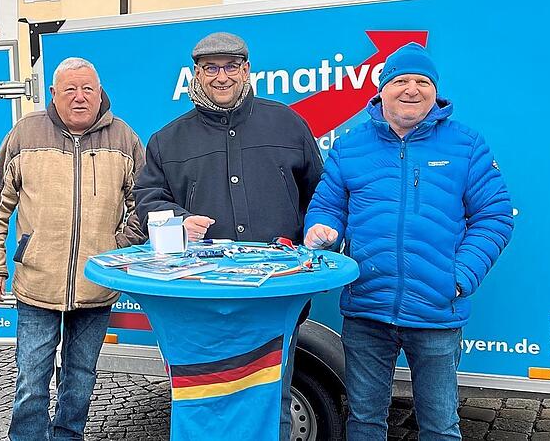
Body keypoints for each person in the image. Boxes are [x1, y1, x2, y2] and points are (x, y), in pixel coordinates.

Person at [303, 42, 514, 440]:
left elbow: (495, 216)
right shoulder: (350, 145)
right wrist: (322, 230)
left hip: (436, 310)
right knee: (364, 422)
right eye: (401, 80)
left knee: (439, 425)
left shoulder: (465, 144)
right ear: (382, 88)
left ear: (436, 91)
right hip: (367, 310)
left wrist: (459, 277)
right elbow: (327, 206)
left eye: (422, 81)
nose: (412, 89)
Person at [133, 31, 323, 440]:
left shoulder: (287, 123)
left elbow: (319, 194)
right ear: (195, 75)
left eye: (231, 67)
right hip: (201, 298)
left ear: (247, 70)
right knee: (204, 402)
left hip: (275, 296)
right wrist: (179, 219)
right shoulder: (167, 139)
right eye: (211, 68)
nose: (222, 77)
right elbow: (147, 198)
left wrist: (313, 241)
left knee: (274, 397)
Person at [0, 57, 145, 440]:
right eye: (69, 89)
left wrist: (116, 249)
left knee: (81, 379)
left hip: (96, 286)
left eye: (87, 89)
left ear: (100, 92)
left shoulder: (123, 138)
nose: (79, 97)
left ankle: (69, 436)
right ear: (53, 94)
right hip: (37, 285)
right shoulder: (25, 133)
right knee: (30, 381)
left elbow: (145, 202)